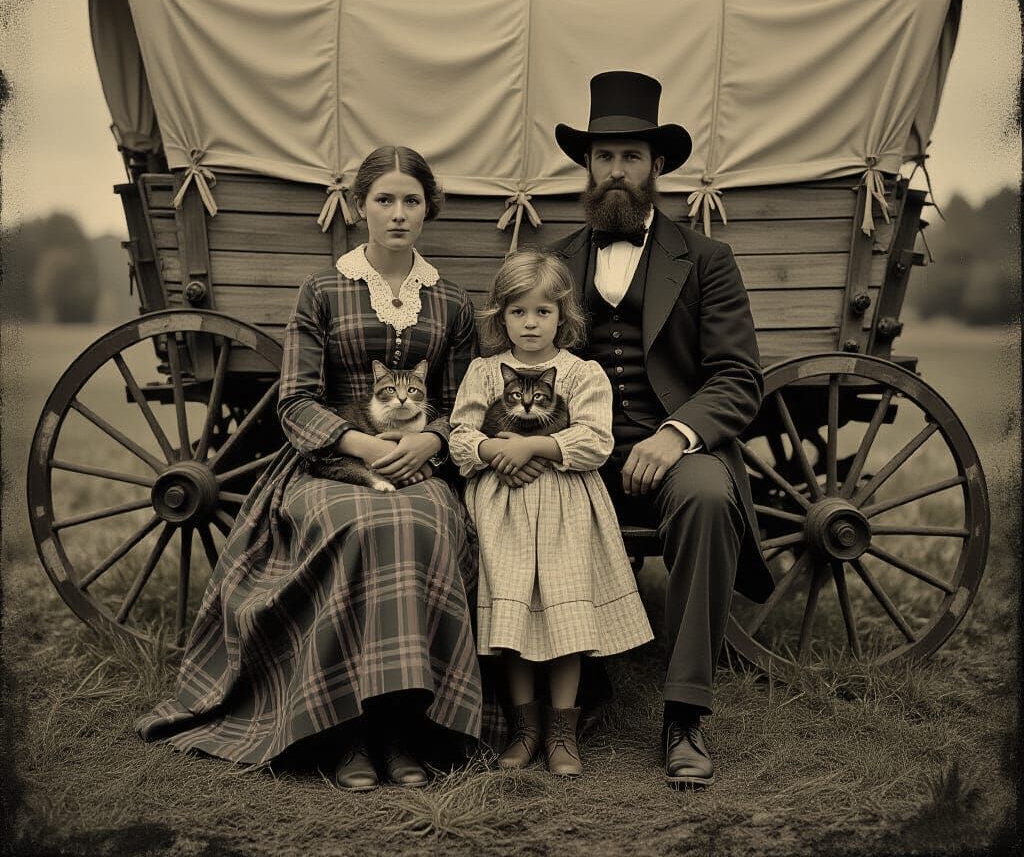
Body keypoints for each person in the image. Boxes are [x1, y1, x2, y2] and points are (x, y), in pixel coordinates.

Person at [136, 146, 482, 792]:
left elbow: (466, 404)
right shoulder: (322, 291)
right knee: (354, 524)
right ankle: (345, 728)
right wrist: (362, 446)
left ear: (428, 208)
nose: (398, 213)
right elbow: (294, 400)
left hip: (421, 465)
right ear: (360, 207)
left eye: (411, 201)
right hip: (328, 465)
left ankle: (402, 727)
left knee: (426, 524)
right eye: (384, 200)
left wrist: (432, 442)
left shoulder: (452, 303)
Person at [545, 71, 775, 789]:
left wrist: (676, 434)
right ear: (588, 167)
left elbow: (738, 375)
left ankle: (684, 713)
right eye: (604, 157)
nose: (617, 170)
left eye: (632, 157)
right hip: (582, 450)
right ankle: (574, 689)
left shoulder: (706, 260)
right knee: (525, 496)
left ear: (657, 166)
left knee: (708, 496)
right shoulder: (554, 260)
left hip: (675, 446)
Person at [448, 250, 653, 777]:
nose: (531, 323)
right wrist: (495, 451)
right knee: (513, 622)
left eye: (543, 311)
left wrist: (534, 448)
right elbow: (461, 436)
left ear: (563, 316)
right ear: (501, 317)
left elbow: (596, 440)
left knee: (566, 620)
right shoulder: (484, 372)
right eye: (518, 312)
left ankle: (563, 731)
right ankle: (526, 728)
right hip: (504, 512)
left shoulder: (583, 374)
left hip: (567, 512)